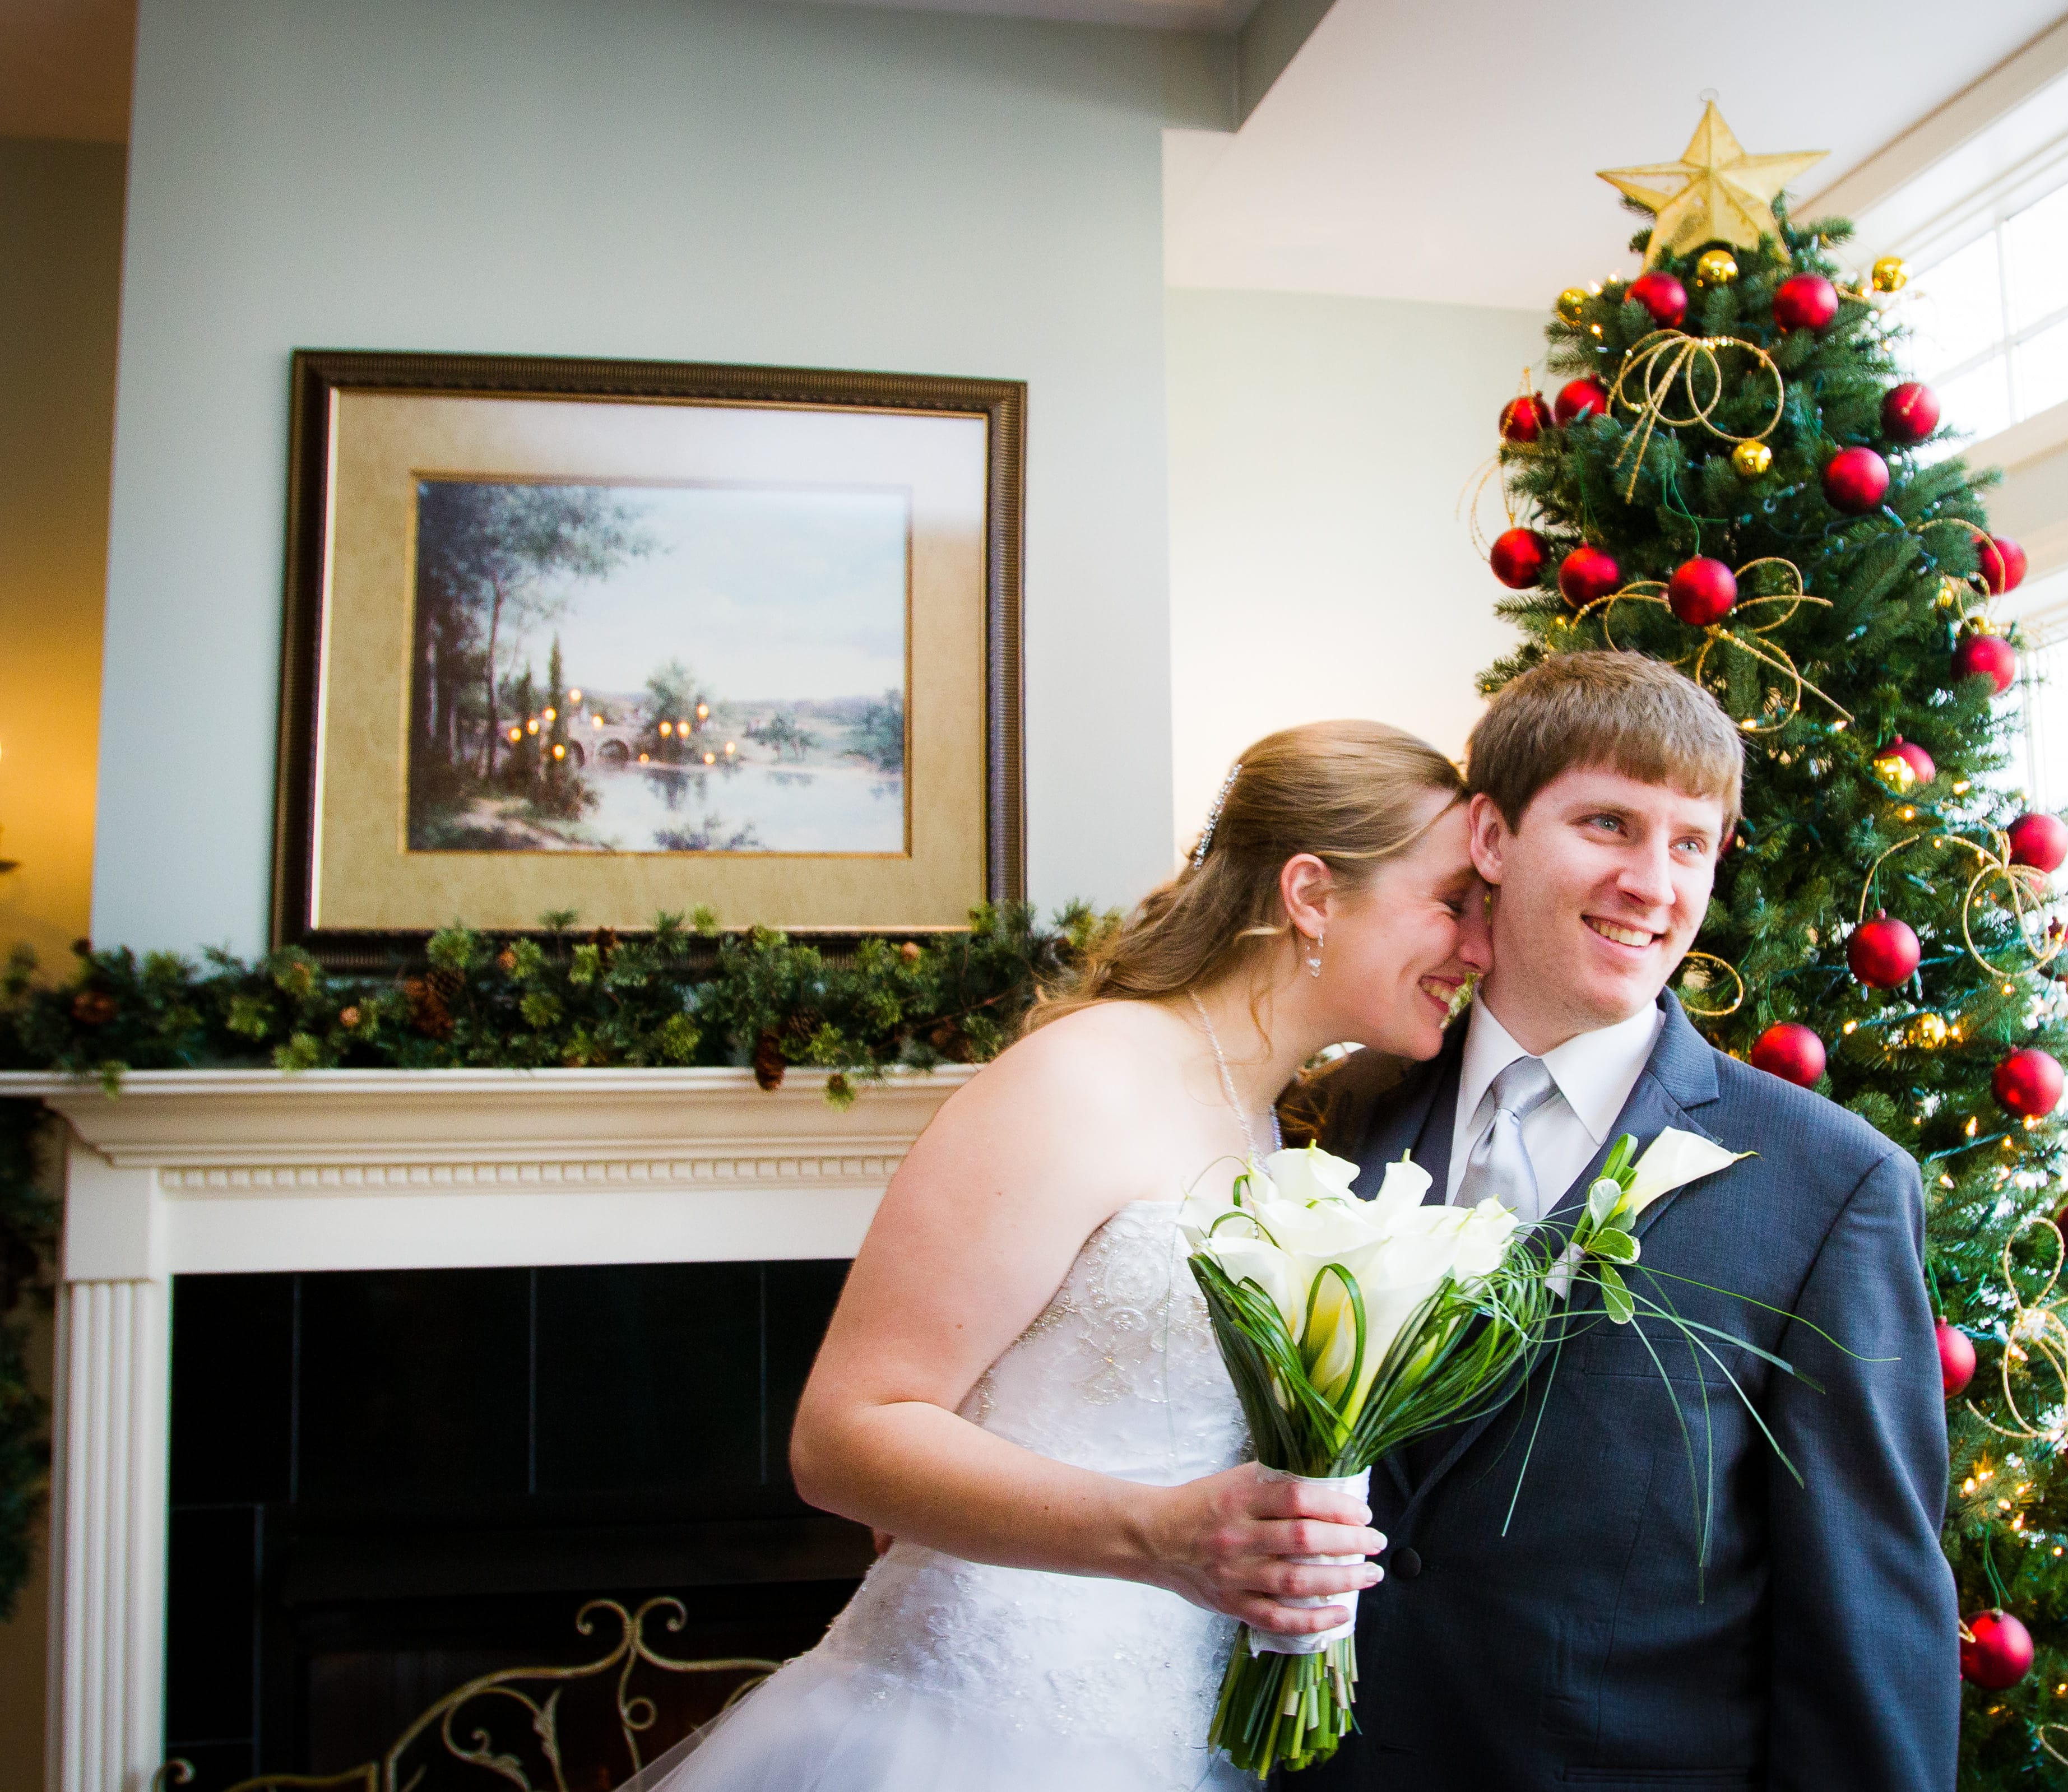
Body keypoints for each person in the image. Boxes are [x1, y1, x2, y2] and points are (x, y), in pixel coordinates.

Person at [632, 719, 1493, 1792]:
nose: (1477, 948)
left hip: (1165, 1736)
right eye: (1453, 902)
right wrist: (1157, 1534)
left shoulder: (1270, 1126)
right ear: (1311, 894)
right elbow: (842, 1436)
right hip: (969, 1734)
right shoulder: (1081, 1079)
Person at [1287, 652, 1959, 1792]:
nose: (1654, 882)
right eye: (1609, 824)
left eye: (1689, 844)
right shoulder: (1334, 1113)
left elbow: (1864, 1616)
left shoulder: (1827, 1186)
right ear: (1491, 838)